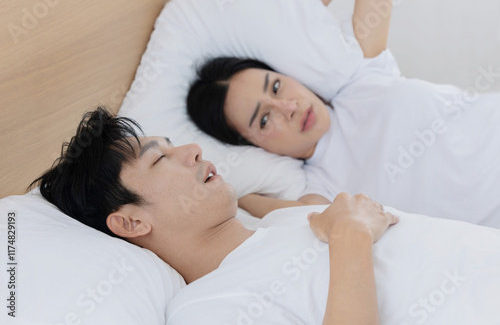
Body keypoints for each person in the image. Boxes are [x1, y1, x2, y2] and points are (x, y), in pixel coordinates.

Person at [31, 108, 500, 324]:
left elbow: (274, 204)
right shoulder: (208, 310)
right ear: (131, 222)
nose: (192, 150)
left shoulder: (275, 225)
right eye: (160, 159)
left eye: (175, 145)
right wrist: (352, 234)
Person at [186, 0, 500, 227]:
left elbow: (293, 11)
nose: (288, 107)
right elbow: (239, 202)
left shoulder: (362, 74)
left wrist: (292, 15)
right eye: (265, 119)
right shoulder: (323, 191)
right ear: (254, 145)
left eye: (277, 86)